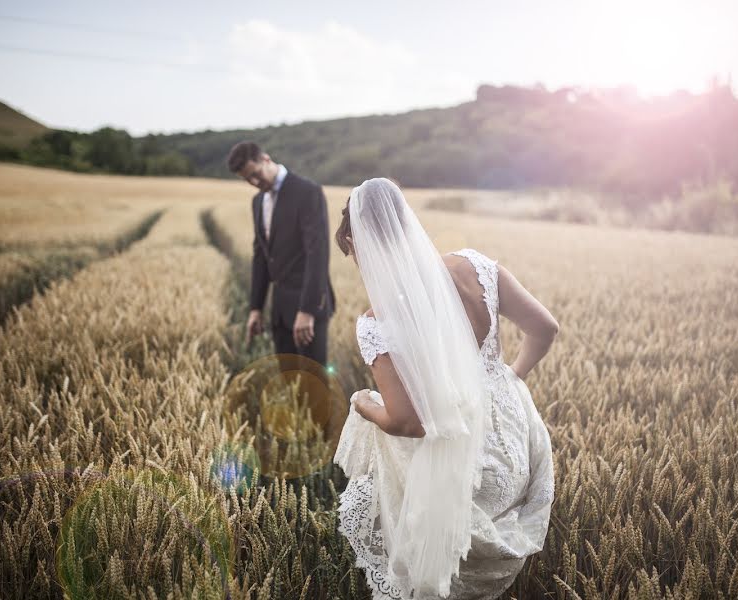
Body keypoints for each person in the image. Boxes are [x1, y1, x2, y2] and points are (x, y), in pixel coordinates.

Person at [332, 178, 558, 600]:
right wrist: (508, 377)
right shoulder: (479, 267)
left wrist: (363, 404)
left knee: (378, 426)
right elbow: (545, 328)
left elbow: (406, 423)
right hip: (518, 449)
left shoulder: (377, 321)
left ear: (356, 242)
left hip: (462, 472)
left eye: (354, 255)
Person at [226, 141, 336, 367]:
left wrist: (307, 311)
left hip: (309, 309)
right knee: (290, 382)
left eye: (256, 174)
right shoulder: (257, 202)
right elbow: (261, 257)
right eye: (247, 179)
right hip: (279, 311)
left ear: (266, 159)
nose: (254, 182)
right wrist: (256, 308)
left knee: (314, 386)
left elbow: (318, 254)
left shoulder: (307, 192)